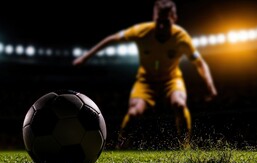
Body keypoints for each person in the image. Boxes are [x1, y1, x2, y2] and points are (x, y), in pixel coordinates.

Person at [73, 0, 217, 149]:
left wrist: (210, 86)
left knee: (179, 104)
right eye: (158, 21)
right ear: (154, 18)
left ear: (174, 18)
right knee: (134, 113)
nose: (161, 26)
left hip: (171, 80)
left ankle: (185, 145)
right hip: (146, 82)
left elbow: (199, 63)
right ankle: (121, 144)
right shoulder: (142, 31)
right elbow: (112, 39)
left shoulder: (181, 38)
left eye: (166, 22)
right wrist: (85, 57)